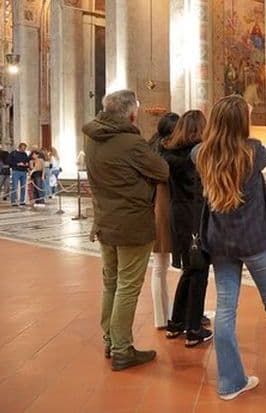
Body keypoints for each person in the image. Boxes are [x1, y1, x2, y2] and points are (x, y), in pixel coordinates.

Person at [195, 95, 266, 402]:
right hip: (255, 240)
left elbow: (203, 149)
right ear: (240, 123)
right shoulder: (254, 152)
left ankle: (230, 382)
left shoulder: (201, 154)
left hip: (221, 243)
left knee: (224, 309)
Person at [83, 89, 170, 371]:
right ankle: (122, 349)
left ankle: (110, 340)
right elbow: (162, 171)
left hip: (105, 220)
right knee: (128, 287)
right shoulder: (131, 142)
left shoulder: (92, 137)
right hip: (132, 224)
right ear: (131, 114)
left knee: (111, 282)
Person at [162, 110, 213, 347]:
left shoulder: (169, 152)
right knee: (199, 269)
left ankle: (176, 323)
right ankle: (193, 329)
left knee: (189, 269)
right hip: (195, 215)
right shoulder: (197, 155)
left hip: (178, 214)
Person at [148, 113, 179, 330]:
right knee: (163, 265)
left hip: (154, 207)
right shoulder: (170, 152)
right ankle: (172, 314)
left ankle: (162, 317)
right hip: (166, 206)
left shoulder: (151, 148)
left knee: (159, 266)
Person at [8, 143, 30, 207]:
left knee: (23, 187)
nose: (23, 150)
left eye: (25, 148)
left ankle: (22, 201)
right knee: (14, 186)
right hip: (16, 171)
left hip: (24, 171)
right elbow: (9, 161)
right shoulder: (13, 153)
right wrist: (17, 164)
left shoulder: (25, 154)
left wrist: (26, 164)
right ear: (19, 147)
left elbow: (27, 161)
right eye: (22, 148)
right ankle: (13, 201)